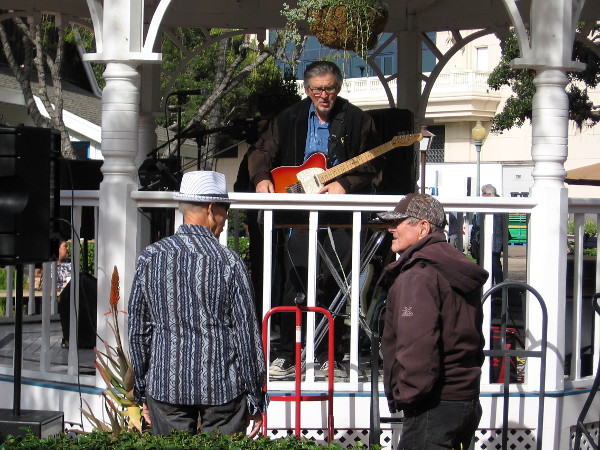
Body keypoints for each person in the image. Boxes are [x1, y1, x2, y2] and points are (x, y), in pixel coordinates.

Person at [247, 60, 382, 379]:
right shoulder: (289, 117)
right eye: (318, 89)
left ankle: (328, 354)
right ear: (307, 90)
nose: (325, 95)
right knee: (295, 281)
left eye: (330, 88)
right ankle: (287, 353)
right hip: (297, 214)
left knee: (334, 284)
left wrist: (345, 184)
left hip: (340, 217)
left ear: (339, 86)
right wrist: (261, 178)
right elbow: (261, 151)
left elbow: (374, 163)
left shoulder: (358, 120)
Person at [128, 170, 267, 437]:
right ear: (212, 209)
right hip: (223, 387)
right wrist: (255, 397)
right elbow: (246, 337)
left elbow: (139, 331)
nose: (226, 220)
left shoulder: (150, 258)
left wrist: (143, 389)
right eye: (225, 211)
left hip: (166, 385)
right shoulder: (229, 262)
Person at [376, 193, 489, 449]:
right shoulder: (453, 266)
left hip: (433, 405)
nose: (391, 228)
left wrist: (407, 397)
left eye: (401, 222)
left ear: (423, 227)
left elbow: (418, 346)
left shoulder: (419, 275)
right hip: (464, 400)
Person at [481, 184, 506, 284]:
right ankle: (499, 285)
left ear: (489, 194)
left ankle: (494, 286)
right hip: (498, 240)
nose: (482, 195)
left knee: (492, 265)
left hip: (492, 240)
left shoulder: (490, 204)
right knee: (496, 264)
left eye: (483, 193)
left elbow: (479, 222)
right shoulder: (500, 203)